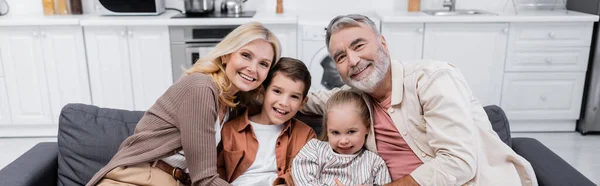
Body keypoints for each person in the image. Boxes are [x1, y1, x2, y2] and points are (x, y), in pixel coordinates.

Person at [301, 14, 538, 186]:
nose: (352, 61)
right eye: (341, 57)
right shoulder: (351, 99)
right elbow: (300, 100)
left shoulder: (432, 79)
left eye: (359, 45)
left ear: (383, 44)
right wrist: (264, 85)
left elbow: (458, 163)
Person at [86, 22, 282, 186]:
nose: (253, 69)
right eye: (246, 55)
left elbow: (284, 99)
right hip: (136, 179)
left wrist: (296, 99)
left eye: (264, 64)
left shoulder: (233, 103)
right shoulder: (201, 87)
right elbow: (205, 179)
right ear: (226, 55)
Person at [217, 57, 316, 186]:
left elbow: (306, 173)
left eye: (294, 96)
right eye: (277, 91)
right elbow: (217, 172)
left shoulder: (305, 135)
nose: (283, 103)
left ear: (302, 103)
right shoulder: (230, 130)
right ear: (262, 93)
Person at [292, 90, 391, 186]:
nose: (343, 141)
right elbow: (302, 177)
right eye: (335, 132)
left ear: (367, 128)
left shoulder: (375, 163)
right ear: (327, 130)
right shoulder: (315, 149)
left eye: (351, 132)